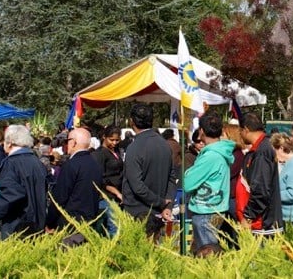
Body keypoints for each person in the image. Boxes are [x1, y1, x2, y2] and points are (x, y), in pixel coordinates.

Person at [121, 104, 177, 241]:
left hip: (138, 212)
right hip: (157, 210)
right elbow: (172, 179)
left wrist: (163, 203)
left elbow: (137, 186)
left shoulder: (134, 148)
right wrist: (166, 204)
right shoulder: (164, 145)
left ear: (131, 121)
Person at [183, 113, 234, 255]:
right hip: (215, 208)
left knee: (208, 256)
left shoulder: (211, 156)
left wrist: (189, 172)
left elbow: (188, 183)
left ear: (202, 132)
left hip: (206, 211)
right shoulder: (220, 152)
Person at [0, 125, 49, 239]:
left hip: (17, 225)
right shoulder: (37, 162)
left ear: (10, 142)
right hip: (37, 223)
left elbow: (12, 193)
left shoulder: (11, 163)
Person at [45, 127, 103, 231]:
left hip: (70, 224)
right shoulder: (95, 164)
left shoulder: (71, 165)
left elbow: (60, 197)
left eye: (67, 141)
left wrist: (50, 221)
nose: (66, 144)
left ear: (74, 142)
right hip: (90, 222)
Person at [240, 112, 283, 233]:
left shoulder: (262, 152)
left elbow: (261, 189)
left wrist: (248, 216)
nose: (240, 135)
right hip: (265, 220)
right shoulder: (262, 147)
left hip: (263, 222)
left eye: (240, 131)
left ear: (246, 130)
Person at [91, 126, 124, 236]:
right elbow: (101, 179)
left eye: (117, 140)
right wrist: (117, 192)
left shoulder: (116, 151)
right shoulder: (99, 154)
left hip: (116, 196)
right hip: (106, 197)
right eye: (111, 139)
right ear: (104, 137)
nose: (114, 143)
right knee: (112, 228)